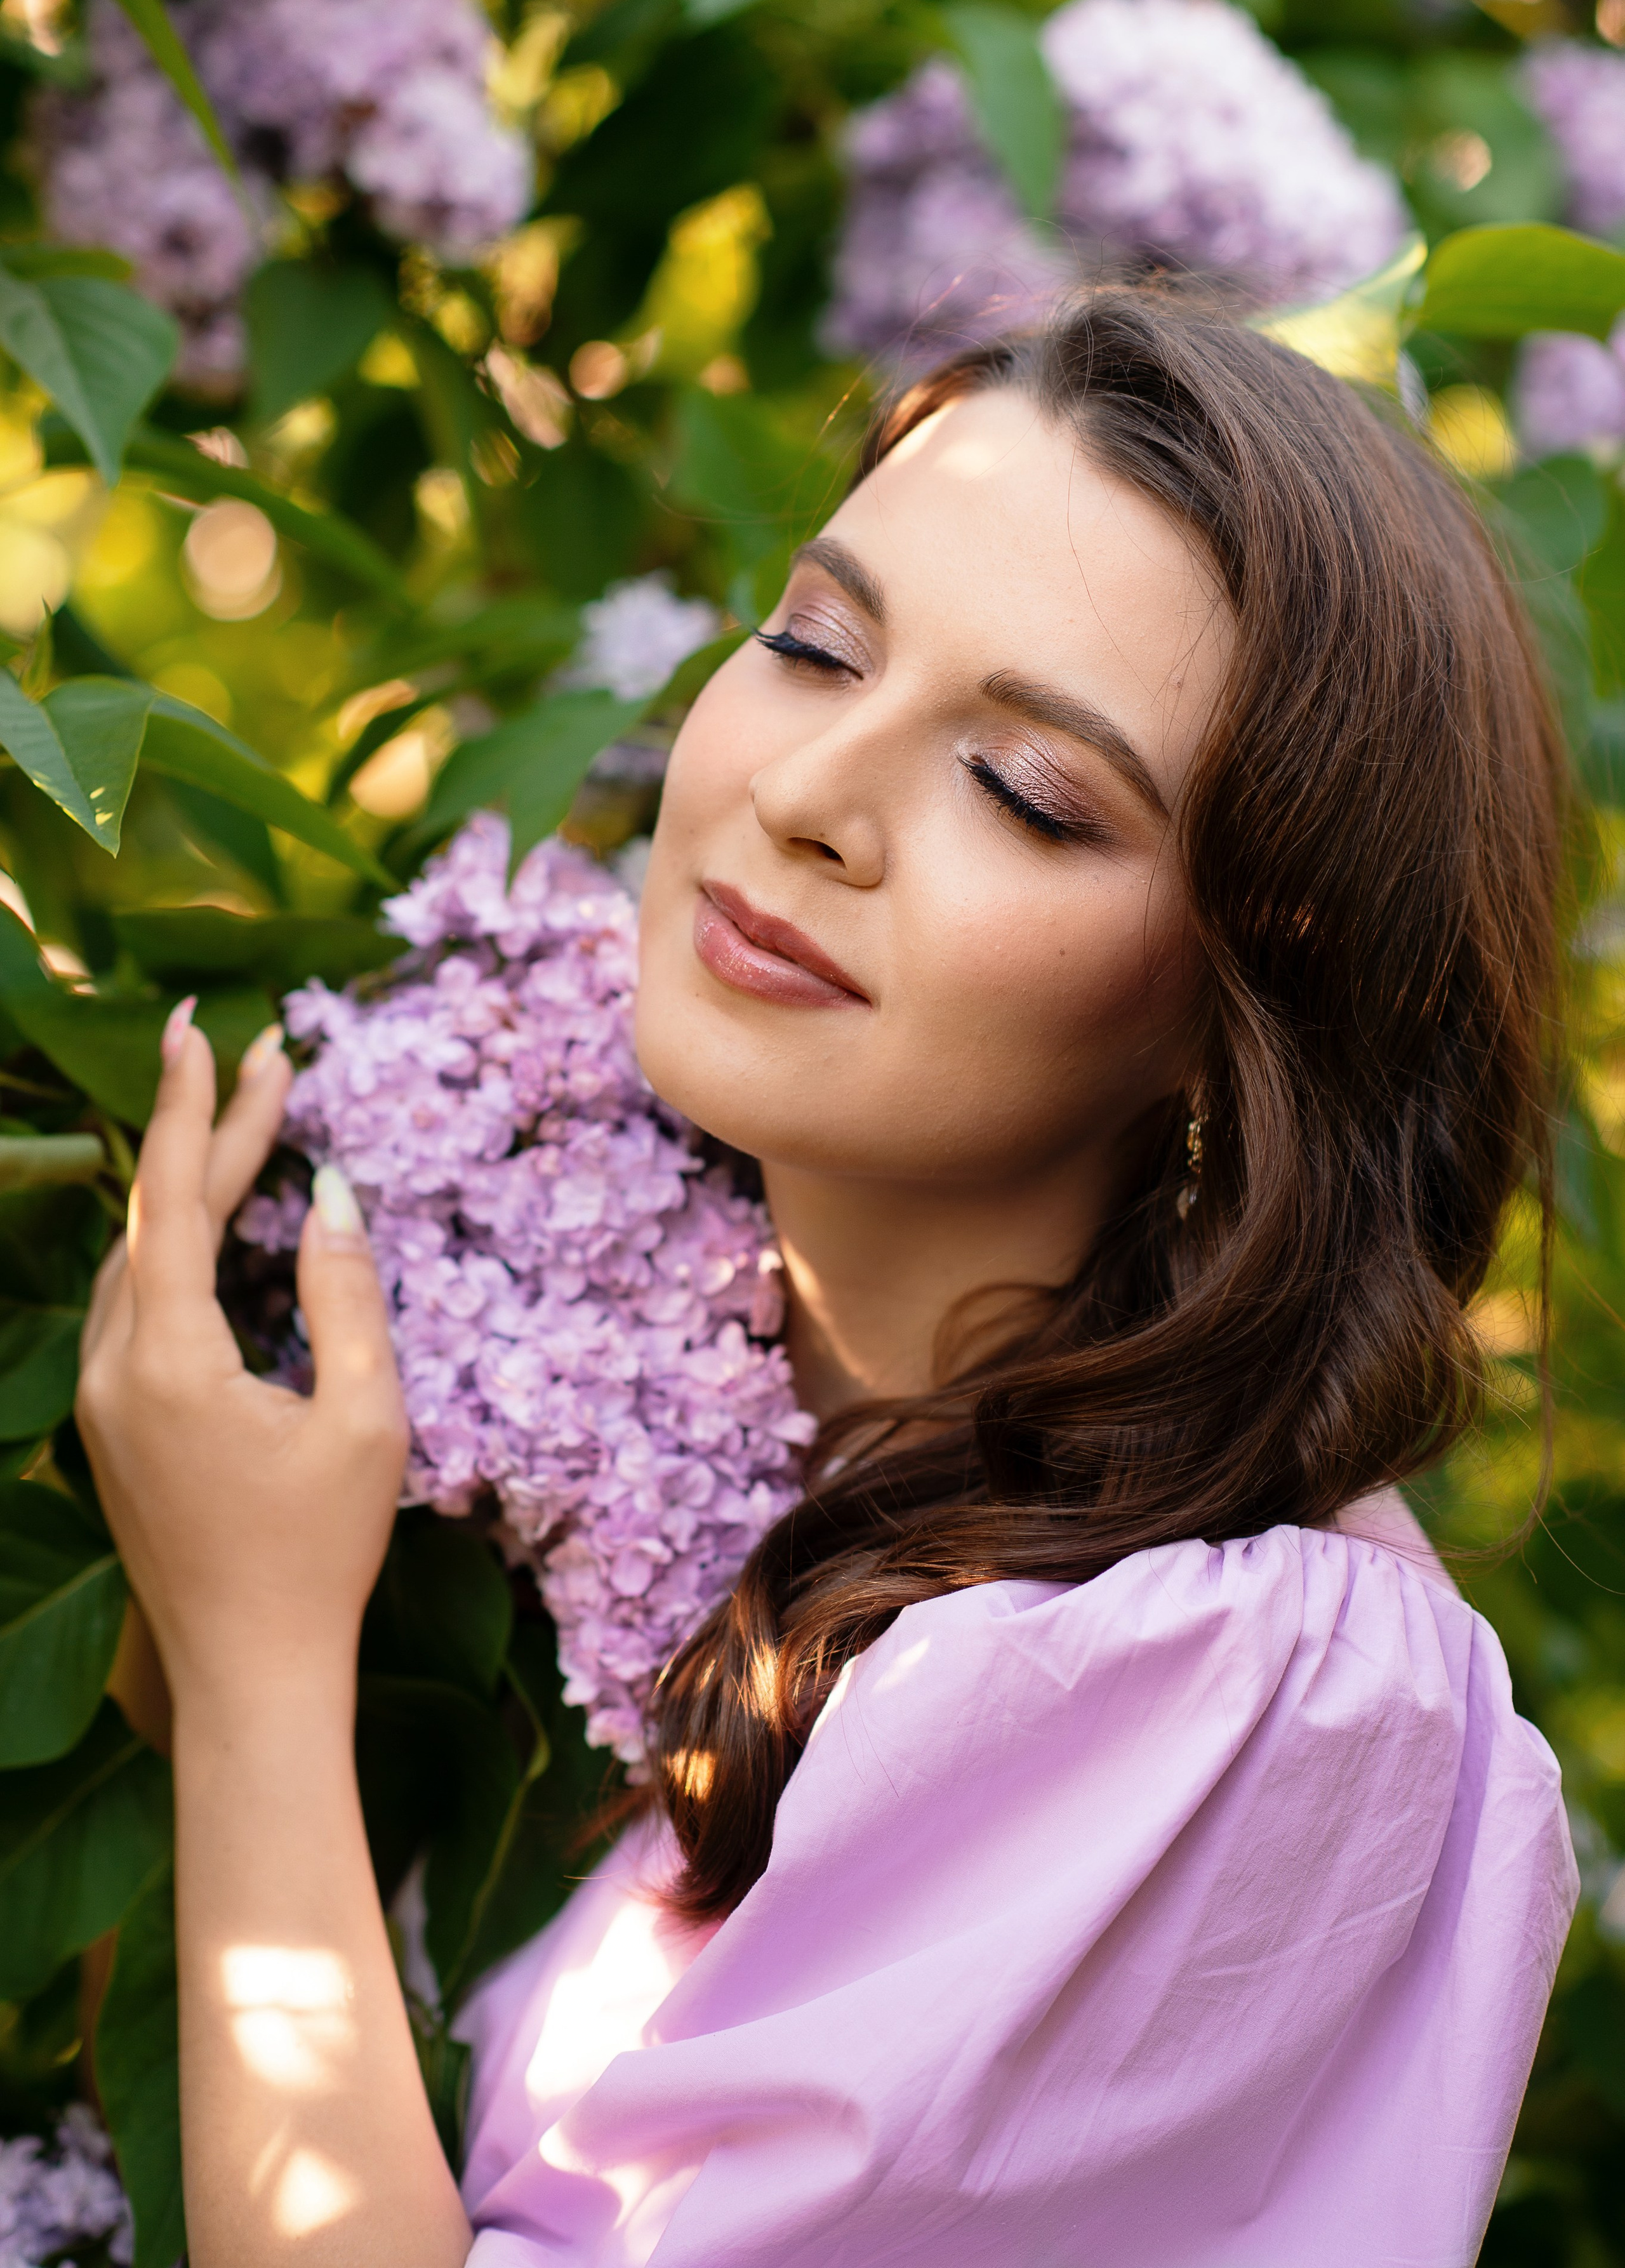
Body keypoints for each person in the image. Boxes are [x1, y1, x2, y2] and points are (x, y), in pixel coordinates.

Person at [77, 290, 1579, 2268]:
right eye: (812, 645)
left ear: (1244, 999)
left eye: (1030, 792)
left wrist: (260, 1660)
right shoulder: (591, 1420)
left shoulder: (1244, 1692)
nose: (805, 796)